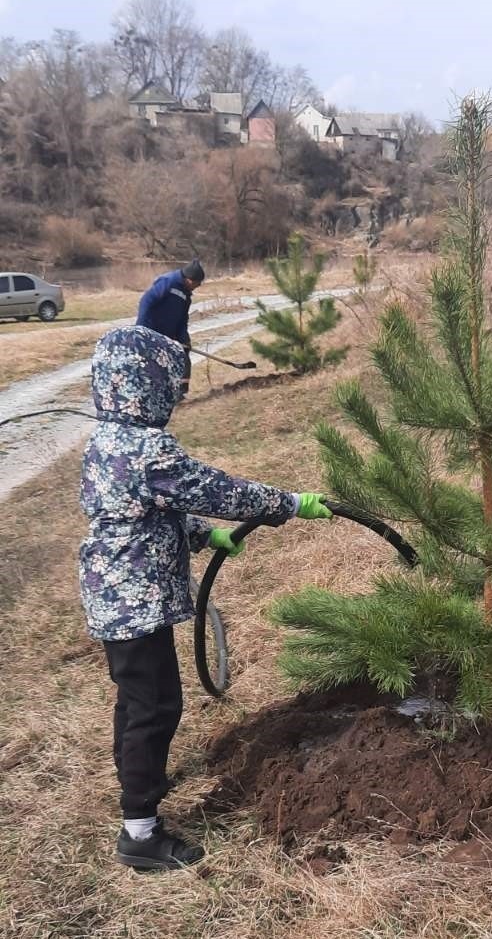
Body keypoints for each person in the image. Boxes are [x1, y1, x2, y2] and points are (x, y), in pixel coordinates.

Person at [78, 325, 332, 871]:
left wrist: (200, 535)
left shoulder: (107, 439)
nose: (178, 395)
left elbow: (144, 508)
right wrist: (287, 503)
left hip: (115, 597)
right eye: (173, 386)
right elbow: (215, 489)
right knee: (156, 706)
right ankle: (140, 831)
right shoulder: (148, 447)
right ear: (149, 387)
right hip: (134, 602)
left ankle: (137, 778)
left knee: (136, 699)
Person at [136, 259, 205, 398]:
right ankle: (146, 395)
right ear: (190, 280)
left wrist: (184, 338)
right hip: (151, 331)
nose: (199, 286)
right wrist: (143, 329)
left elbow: (183, 319)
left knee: (183, 356)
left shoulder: (186, 295)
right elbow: (146, 302)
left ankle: (179, 393)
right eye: (198, 283)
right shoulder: (168, 282)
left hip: (170, 333)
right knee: (153, 365)